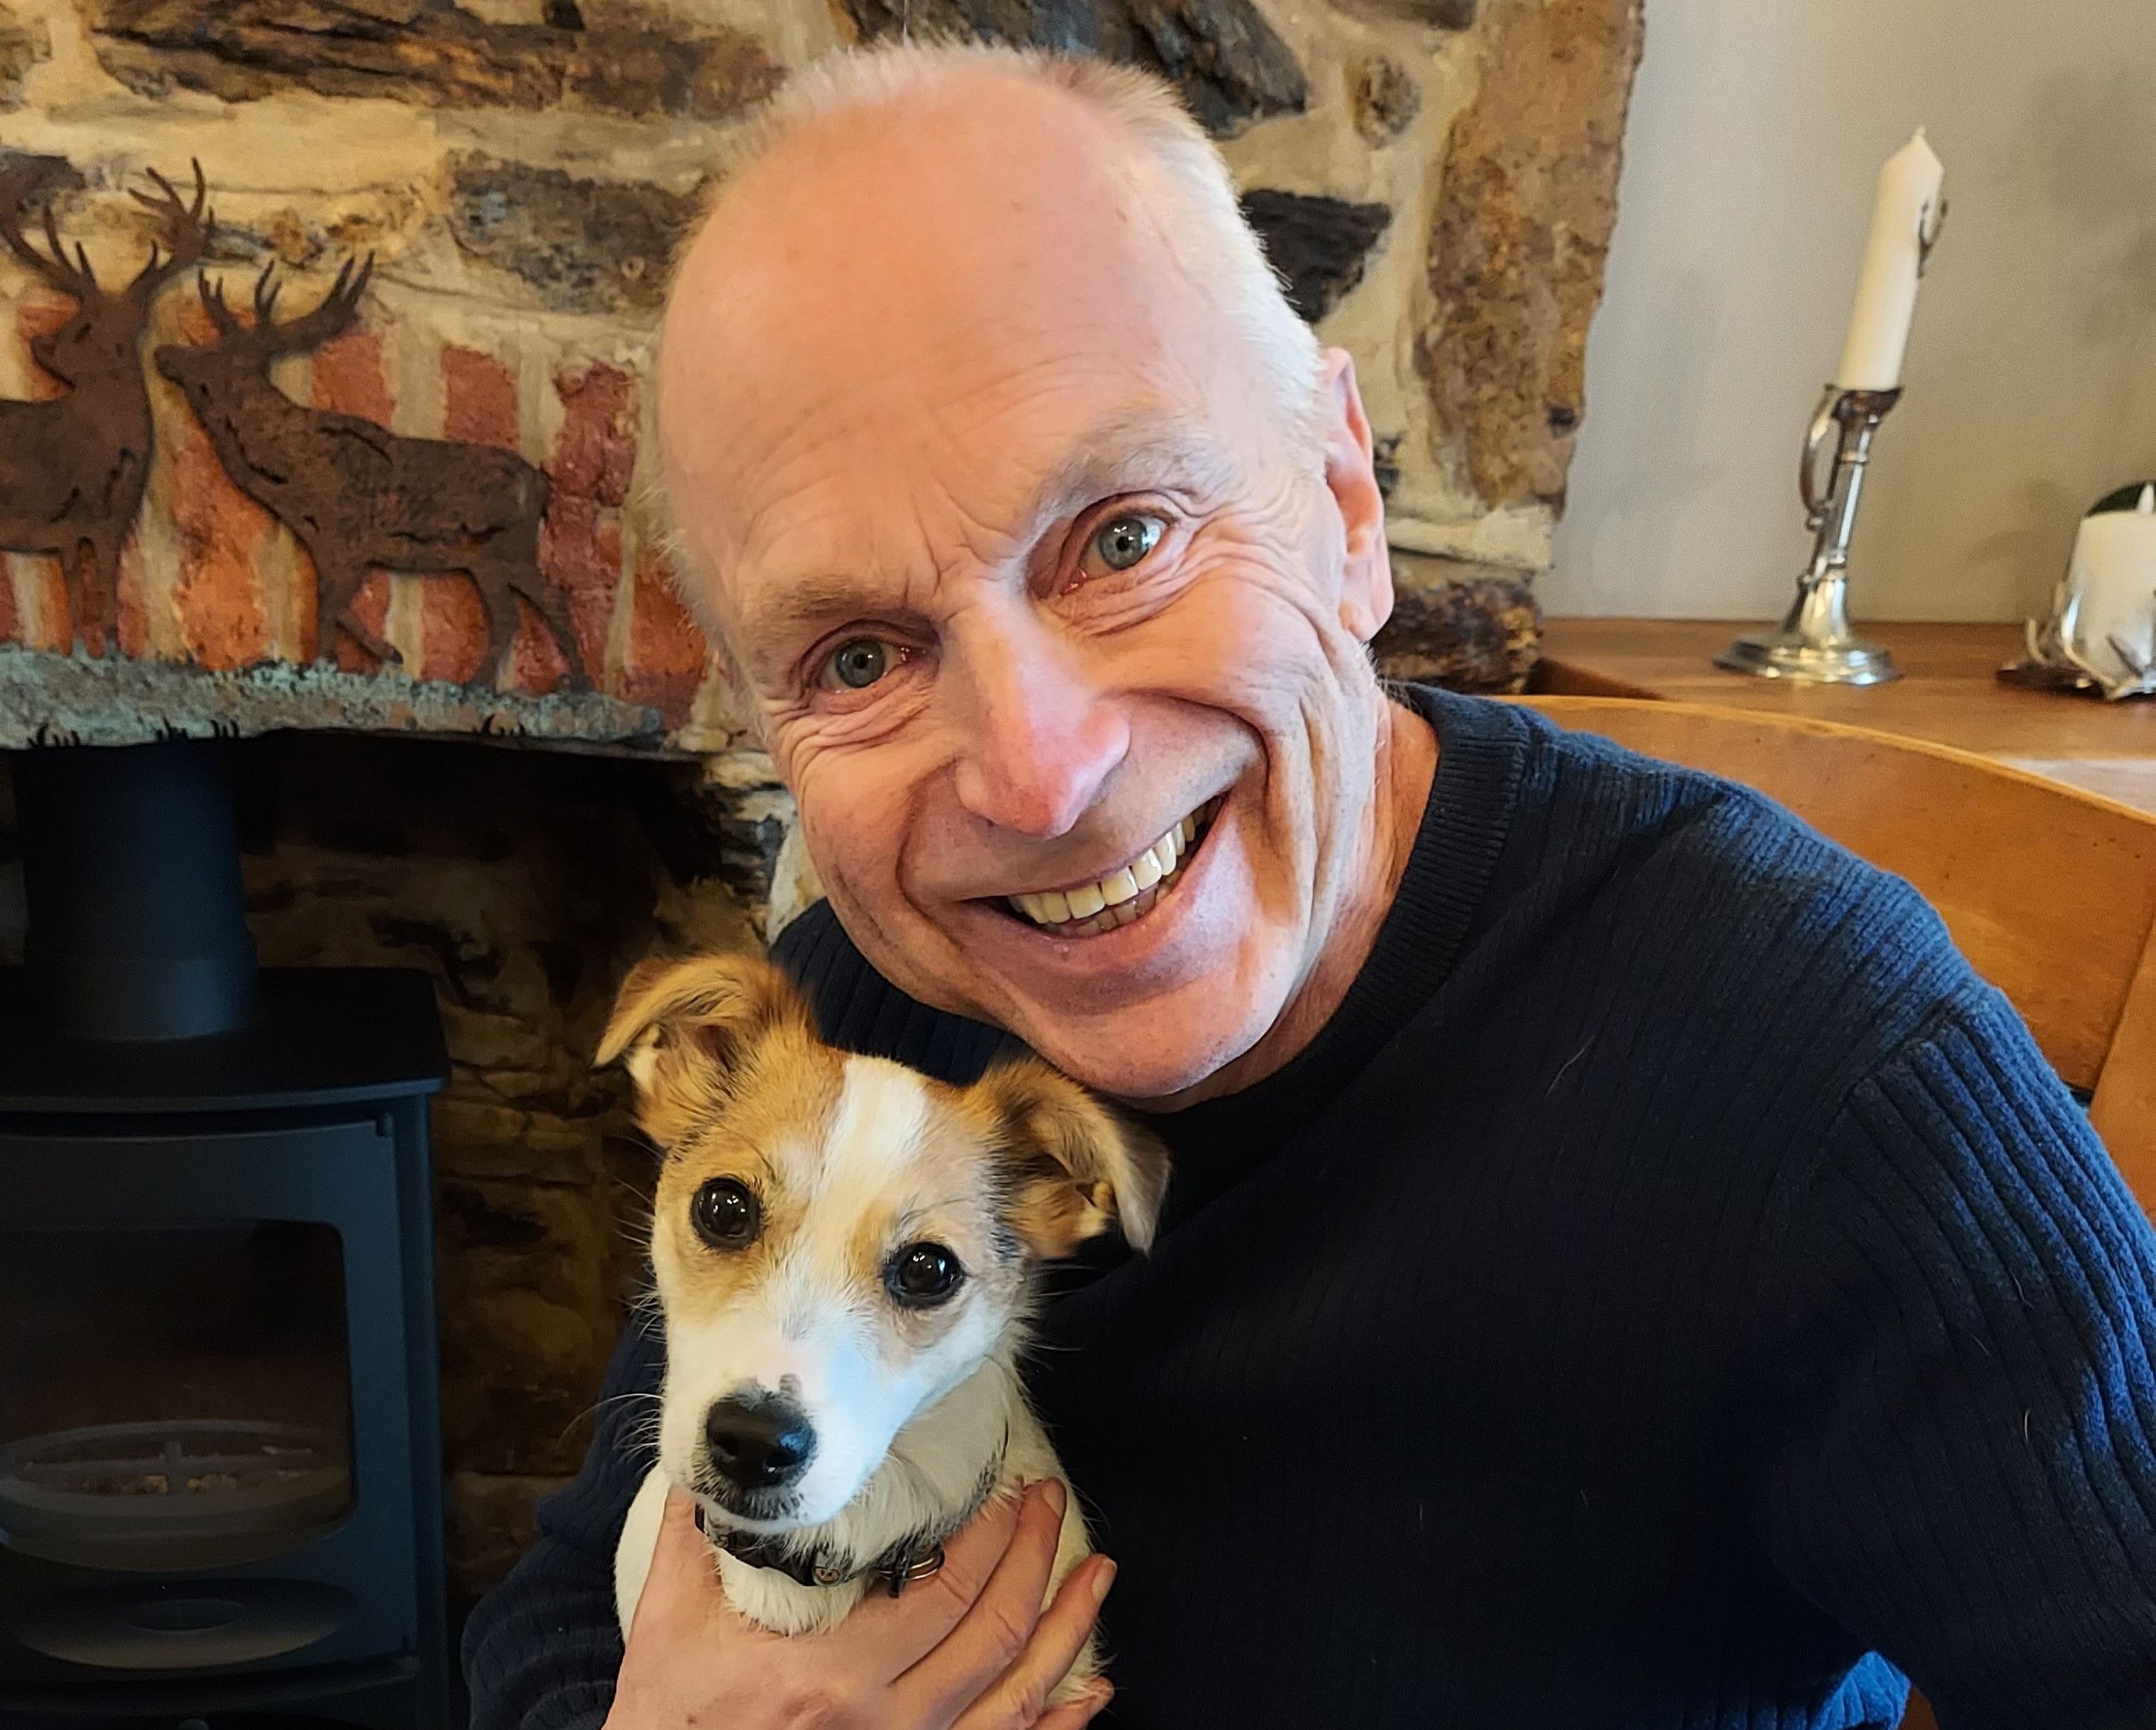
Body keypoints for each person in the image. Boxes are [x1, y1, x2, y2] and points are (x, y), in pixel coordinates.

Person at [463, 44, 2156, 1730]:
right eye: (854, 653)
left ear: (1345, 499)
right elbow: (563, 1605)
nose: (1040, 777)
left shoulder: (1826, 1073)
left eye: (1123, 536)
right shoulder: (851, 1017)